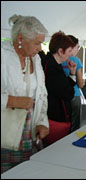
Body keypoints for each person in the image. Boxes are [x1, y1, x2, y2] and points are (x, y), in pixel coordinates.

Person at [1, 14, 49, 173]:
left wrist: (42, 121)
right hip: (4, 136)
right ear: (20, 39)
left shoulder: (36, 60)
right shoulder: (3, 56)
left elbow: (42, 94)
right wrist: (11, 101)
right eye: (37, 43)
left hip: (28, 134)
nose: (40, 48)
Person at [42, 32, 76, 125]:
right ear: (61, 51)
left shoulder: (53, 64)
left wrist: (72, 73)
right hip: (54, 117)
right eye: (69, 51)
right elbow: (67, 93)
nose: (70, 55)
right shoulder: (52, 68)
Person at [61, 35, 84, 132]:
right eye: (77, 47)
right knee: (75, 126)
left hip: (61, 96)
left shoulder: (59, 59)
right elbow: (80, 84)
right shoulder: (75, 61)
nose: (78, 50)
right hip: (74, 95)